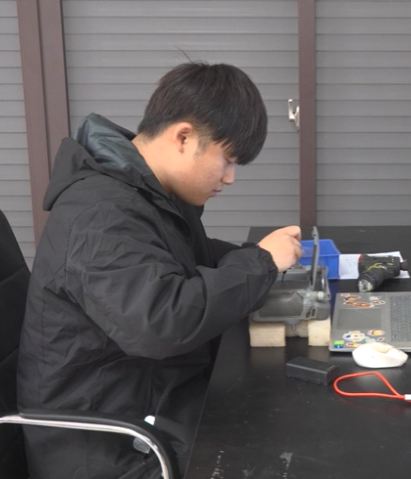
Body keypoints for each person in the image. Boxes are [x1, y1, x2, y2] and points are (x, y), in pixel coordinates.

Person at [16, 62, 302, 479]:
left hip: (145, 404)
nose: (229, 178)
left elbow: (186, 259)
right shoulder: (100, 215)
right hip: (111, 449)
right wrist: (261, 262)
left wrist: (260, 258)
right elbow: (161, 324)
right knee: (288, 446)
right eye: (227, 160)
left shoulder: (140, 192)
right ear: (183, 137)